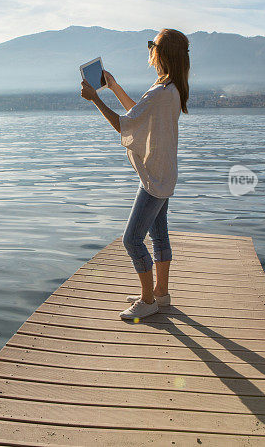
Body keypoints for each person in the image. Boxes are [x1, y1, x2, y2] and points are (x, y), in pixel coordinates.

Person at [80, 28, 190, 319]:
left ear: (161, 53)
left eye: (151, 44)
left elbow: (123, 124)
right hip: (166, 174)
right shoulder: (171, 89)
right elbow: (137, 114)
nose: (149, 50)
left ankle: (147, 300)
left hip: (154, 177)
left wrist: (95, 99)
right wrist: (113, 86)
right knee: (159, 234)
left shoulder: (160, 92)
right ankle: (161, 294)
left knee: (132, 239)